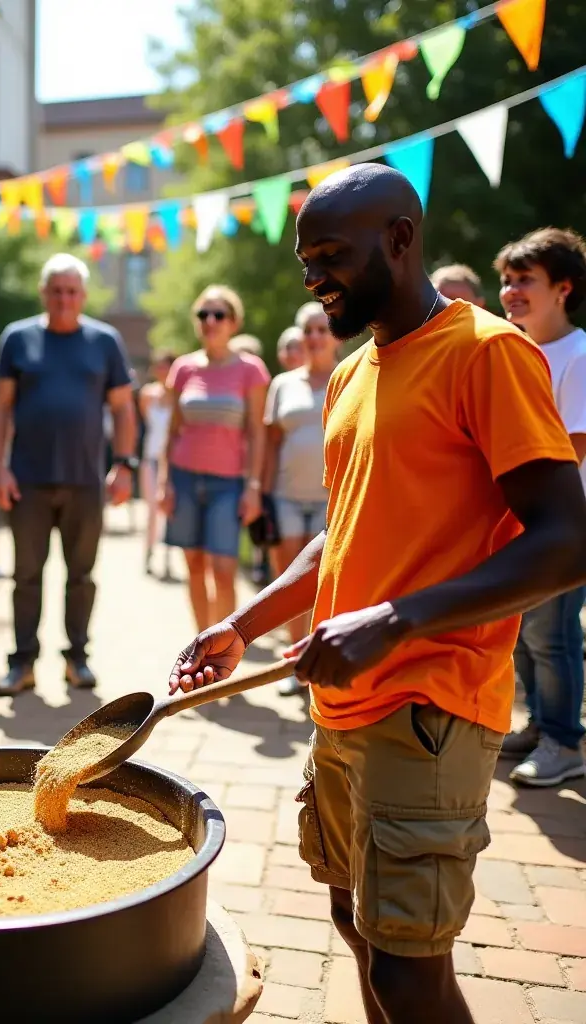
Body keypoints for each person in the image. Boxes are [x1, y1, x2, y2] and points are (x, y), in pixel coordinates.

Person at [169, 163, 586, 1024]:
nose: (314, 275)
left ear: (400, 239)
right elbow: (345, 528)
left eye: (331, 253)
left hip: (432, 707)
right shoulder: (350, 377)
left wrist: (397, 619)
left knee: (406, 972)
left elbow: (566, 540)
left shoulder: (486, 351)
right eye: (305, 259)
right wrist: (241, 624)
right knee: (348, 921)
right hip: (341, 707)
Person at [0, 253, 136, 695]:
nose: (64, 299)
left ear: (83, 295)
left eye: (72, 291)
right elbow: (0, 409)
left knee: (81, 576)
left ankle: (77, 659)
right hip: (28, 481)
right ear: (44, 293)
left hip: (86, 482)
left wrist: (124, 465)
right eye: (56, 290)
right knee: (26, 576)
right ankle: (23, 664)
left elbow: (124, 408)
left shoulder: (105, 341)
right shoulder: (17, 339)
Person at [495, 227, 586, 786]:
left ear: (563, 288)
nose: (511, 291)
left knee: (554, 636)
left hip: (562, 523)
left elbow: (570, 446)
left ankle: (564, 740)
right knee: (525, 630)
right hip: (520, 521)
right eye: (507, 280)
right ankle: (538, 723)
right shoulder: (513, 346)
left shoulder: (577, 354)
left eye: (526, 279)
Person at [160, 285, 269, 633]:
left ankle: (220, 650)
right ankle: (199, 647)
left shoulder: (251, 370)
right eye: (203, 314)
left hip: (228, 483)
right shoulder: (183, 368)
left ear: (233, 322)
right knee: (193, 565)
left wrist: (253, 488)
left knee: (223, 570)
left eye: (218, 314)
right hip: (184, 478)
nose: (210, 321)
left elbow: (257, 433)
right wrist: (165, 482)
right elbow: (172, 430)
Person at [263, 301, 338, 697]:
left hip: (333, 499)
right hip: (287, 495)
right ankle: (295, 668)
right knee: (290, 579)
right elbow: (271, 445)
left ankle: (321, 664)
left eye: (321, 329)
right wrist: (261, 493)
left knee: (327, 582)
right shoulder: (283, 384)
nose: (313, 338)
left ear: (334, 336)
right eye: (307, 330)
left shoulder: (349, 376)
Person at [138, 350, 176, 578]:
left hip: (172, 462)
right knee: (152, 509)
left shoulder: (180, 397)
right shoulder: (147, 394)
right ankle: (149, 552)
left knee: (170, 511)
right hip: (151, 459)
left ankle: (169, 558)